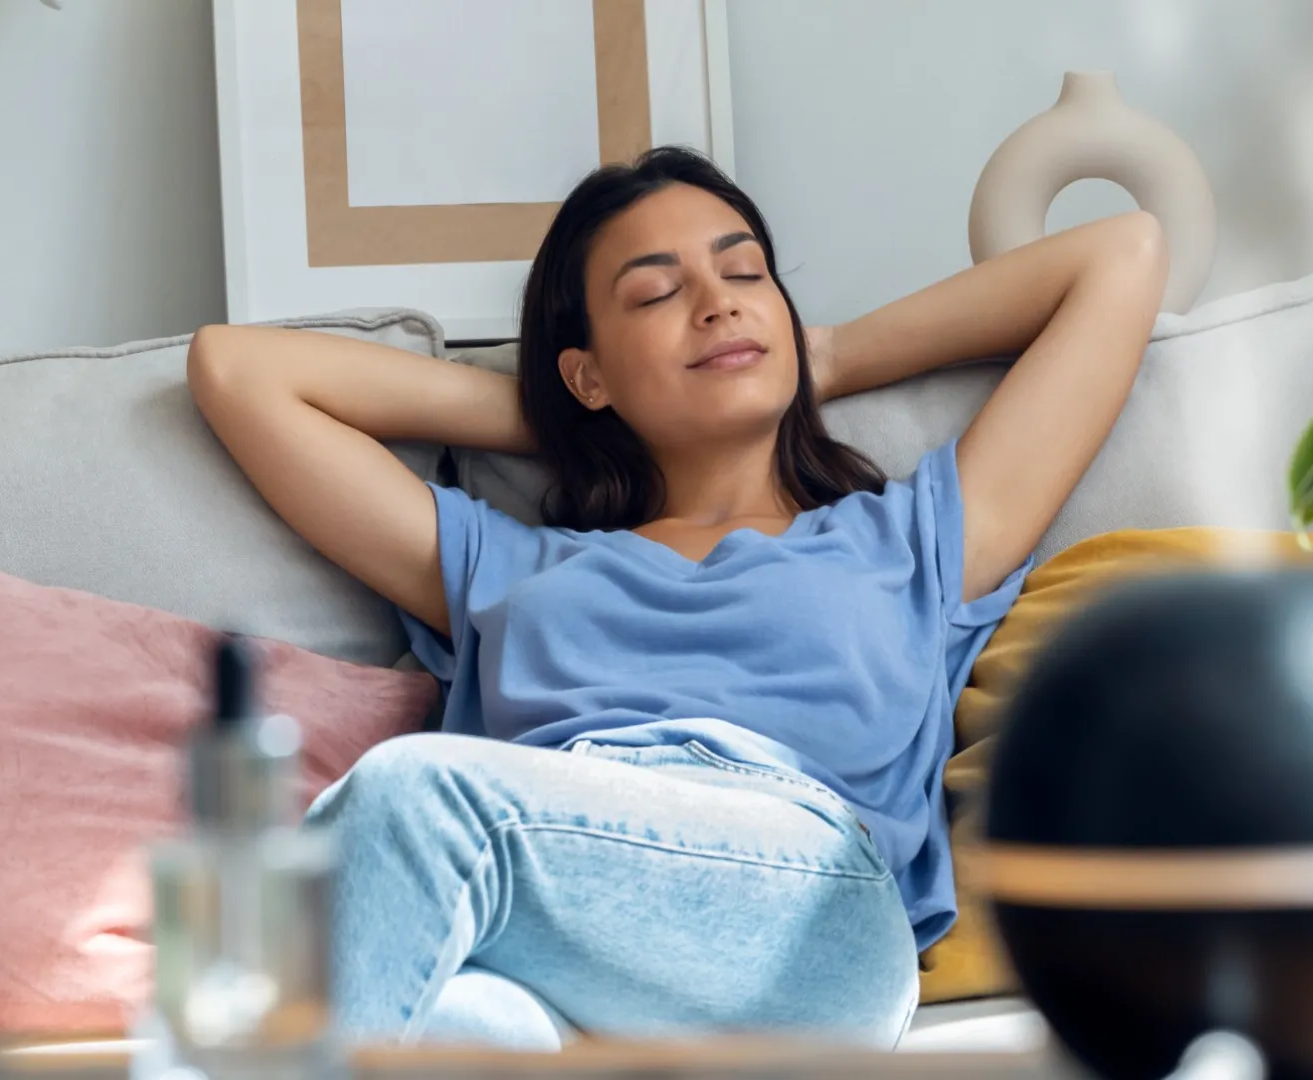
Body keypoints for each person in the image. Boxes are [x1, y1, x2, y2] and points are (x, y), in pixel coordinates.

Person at [187, 146, 1166, 1050]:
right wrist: (569, 413)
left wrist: (829, 358)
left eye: (745, 276)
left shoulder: (910, 539)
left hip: (806, 911)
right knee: (447, 1026)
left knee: (411, 795)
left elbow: (1121, 254)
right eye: (657, 293)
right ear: (586, 369)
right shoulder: (510, 565)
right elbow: (236, 369)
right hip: (550, 926)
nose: (717, 303)